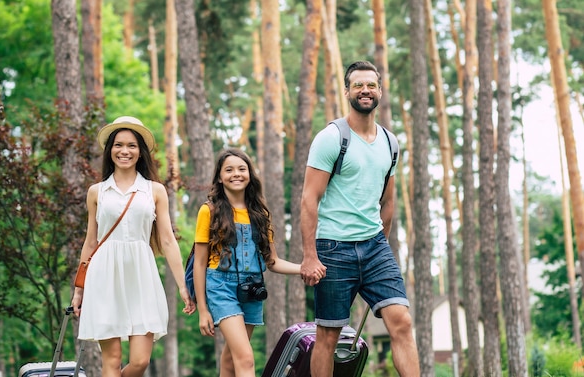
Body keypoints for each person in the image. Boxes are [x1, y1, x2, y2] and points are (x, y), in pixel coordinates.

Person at [300, 61, 420, 376]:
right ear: (347, 91)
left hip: (374, 247)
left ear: (379, 91)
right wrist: (310, 255)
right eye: (358, 85)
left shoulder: (390, 143)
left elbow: (388, 200)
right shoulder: (331, 138)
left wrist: (384, 245)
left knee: (402, 322)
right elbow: (309, 199)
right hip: (333, 248)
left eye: (371, 85)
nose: (365, 90)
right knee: (328, 335)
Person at [71, 116, 196, 377]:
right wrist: (79, 290)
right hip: (104, 275)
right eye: (118, 145)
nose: (124, 151)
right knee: (112, 361)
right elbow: (90, 242)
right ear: (110, 150)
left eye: (131, 146)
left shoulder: (155, 190)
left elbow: (167, 240)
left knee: (140, 361)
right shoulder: (97, 192)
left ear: (140, 151)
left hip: (142, 275)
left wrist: (184, 286)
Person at [193, 148, 301, 377]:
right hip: (221, 287)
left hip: (252, 288)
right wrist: (203, 310)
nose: (236, 174)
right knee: (245, 358)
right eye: (229, 170)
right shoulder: (208, 211)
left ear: (250, 174)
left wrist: (303, 268)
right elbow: (200, 263)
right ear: (220, 177)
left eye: (242, 169)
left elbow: (273, 261)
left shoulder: (260, 214)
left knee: (231, 359)